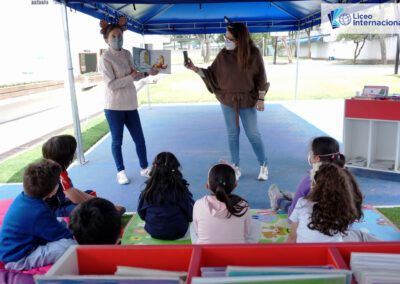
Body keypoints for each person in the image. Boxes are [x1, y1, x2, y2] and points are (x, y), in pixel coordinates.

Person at [184, 19, 269, 181]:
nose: (226, 41)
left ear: (239, 39)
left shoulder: (254, 54)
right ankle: (235, 166)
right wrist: (194, 68)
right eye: (225, 37)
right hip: (227, 101)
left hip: (247, 100)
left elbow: (261, 78)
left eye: (229, 39)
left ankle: (263, 164)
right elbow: (211, 74)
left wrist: (261, 99)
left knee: (253, 134)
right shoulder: (223, 55)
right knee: (232, 134)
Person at [98, 16, 158, 184]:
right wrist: (131, 76)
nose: (118, 39)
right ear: (106, 40)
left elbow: (135, 75)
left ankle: (145, 168)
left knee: (139, 138)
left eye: (120, 36)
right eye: (114, 37)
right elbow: (111, 84)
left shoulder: (127, 54)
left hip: (130, 104)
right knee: (117, 141)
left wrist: (147, 73)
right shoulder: (105, 58)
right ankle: (120, 171)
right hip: (114, 106)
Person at [0, 160, 75, 271]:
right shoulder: (39, 211)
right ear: (51, 192)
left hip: (16, 246)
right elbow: (63, 235)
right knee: (69, 246)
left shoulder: (24, 197)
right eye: (57, 183)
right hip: (18, 259)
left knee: (59, 221)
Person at [42, 135, 125, 217]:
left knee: (90, 194)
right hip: (51, 212)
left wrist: (108, 205)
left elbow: (74, 191)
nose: (75, 154)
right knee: (84, 210)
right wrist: (102, 209)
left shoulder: (58, 170)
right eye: (73, 152)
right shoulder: (59, 176)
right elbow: (75, 199)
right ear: (65, 157)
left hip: (59, 204)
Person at [286, 163, 364, 243]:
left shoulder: (302, 203)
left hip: (305, 253)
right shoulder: (345, 208)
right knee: (360, 235)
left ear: (315, 185)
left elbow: (293, 236)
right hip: (334, 252)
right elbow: (344, 232)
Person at [268, 136, 346, 216]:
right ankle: (295, 196)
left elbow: (293, 214)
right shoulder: (346, 176)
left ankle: (278, 199)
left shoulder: (310, 179)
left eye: (311, 152)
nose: (309, 154)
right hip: (339, 222)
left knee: (291, 206)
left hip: (314, 219)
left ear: (317, 158)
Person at [191, 163, 261, 244]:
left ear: (208, 186)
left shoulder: (198, 204)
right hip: (237, 253)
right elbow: (246, 233)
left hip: (206, 252)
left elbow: (197, 233)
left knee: (193, 225)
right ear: (235, 185)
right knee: (256, 224)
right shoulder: (243, 205)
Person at [137, 152, 194, 240]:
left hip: (153, 231)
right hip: (179, 232)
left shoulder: (147, 191)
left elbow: (141, 214)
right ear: (175, 169)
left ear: (154, 169)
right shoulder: (180, 190)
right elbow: (190, 215)